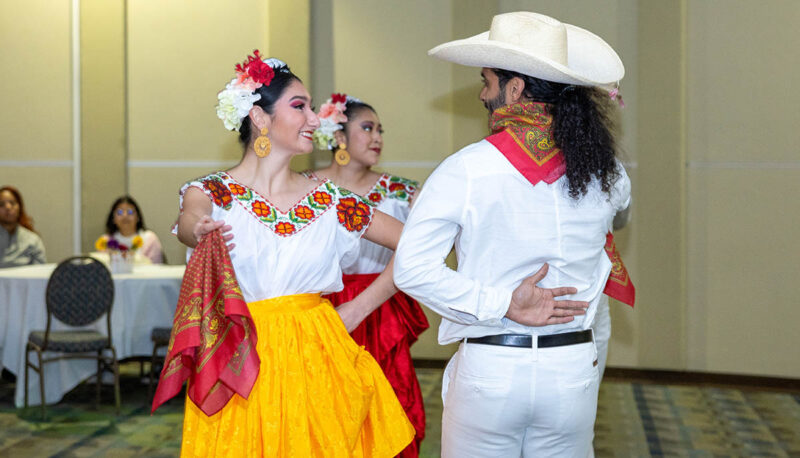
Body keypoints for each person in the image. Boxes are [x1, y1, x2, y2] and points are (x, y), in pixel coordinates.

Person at [393, 11, 631, 457]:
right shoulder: (606, 171)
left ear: (515, 88)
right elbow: (618, 216)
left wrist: (503, 303)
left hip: (493, 366)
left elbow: (411, 269)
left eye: (486, 82)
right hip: (572, 372)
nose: (483, 94)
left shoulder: (466, 168)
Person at [160, 51, 414, 456]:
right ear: (259, 118)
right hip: (241, 358)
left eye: (312, 108)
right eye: (300, 107)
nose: (315, 119)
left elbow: (416, 246)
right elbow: (191, 222)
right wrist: (200, 230)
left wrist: (357, 308)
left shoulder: (331, 200)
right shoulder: (212, 193)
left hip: (318, 355)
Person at [308, 93, 429, 457]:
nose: (377, 137)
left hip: (380, 305)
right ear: (339, 137)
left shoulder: (402, 192)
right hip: (320, 307)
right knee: (323, 408)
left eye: (380, 130)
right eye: (367, 128)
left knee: (387, 400)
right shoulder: (306, 186)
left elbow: (429, 247)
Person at [101, 196, 164, 264]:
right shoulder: (106, 240)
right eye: (120, 212)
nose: (125, 215)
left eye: (130, 212)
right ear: (113, 219)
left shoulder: (149, 238)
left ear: (138, 218)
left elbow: (156, 268)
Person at [0, 185, 46, 268]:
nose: (8, 207)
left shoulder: (33, 240)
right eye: (1, 204)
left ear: (20, 207)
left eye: (12, 203)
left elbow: (40, 273)